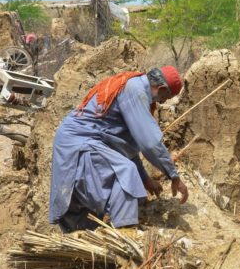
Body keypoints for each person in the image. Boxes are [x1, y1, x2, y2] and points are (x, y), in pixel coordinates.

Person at [49, 66, 189, 232]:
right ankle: (126, 233)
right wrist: (174, 176)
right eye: (165, 97)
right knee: (126, 173)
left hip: (80, 143)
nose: (162, 102)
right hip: (80, 144)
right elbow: (150, 143)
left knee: (86, 225)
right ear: (162, 88)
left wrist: (145, 179)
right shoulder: (135, 90)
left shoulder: (133, 87)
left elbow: (124, 146)